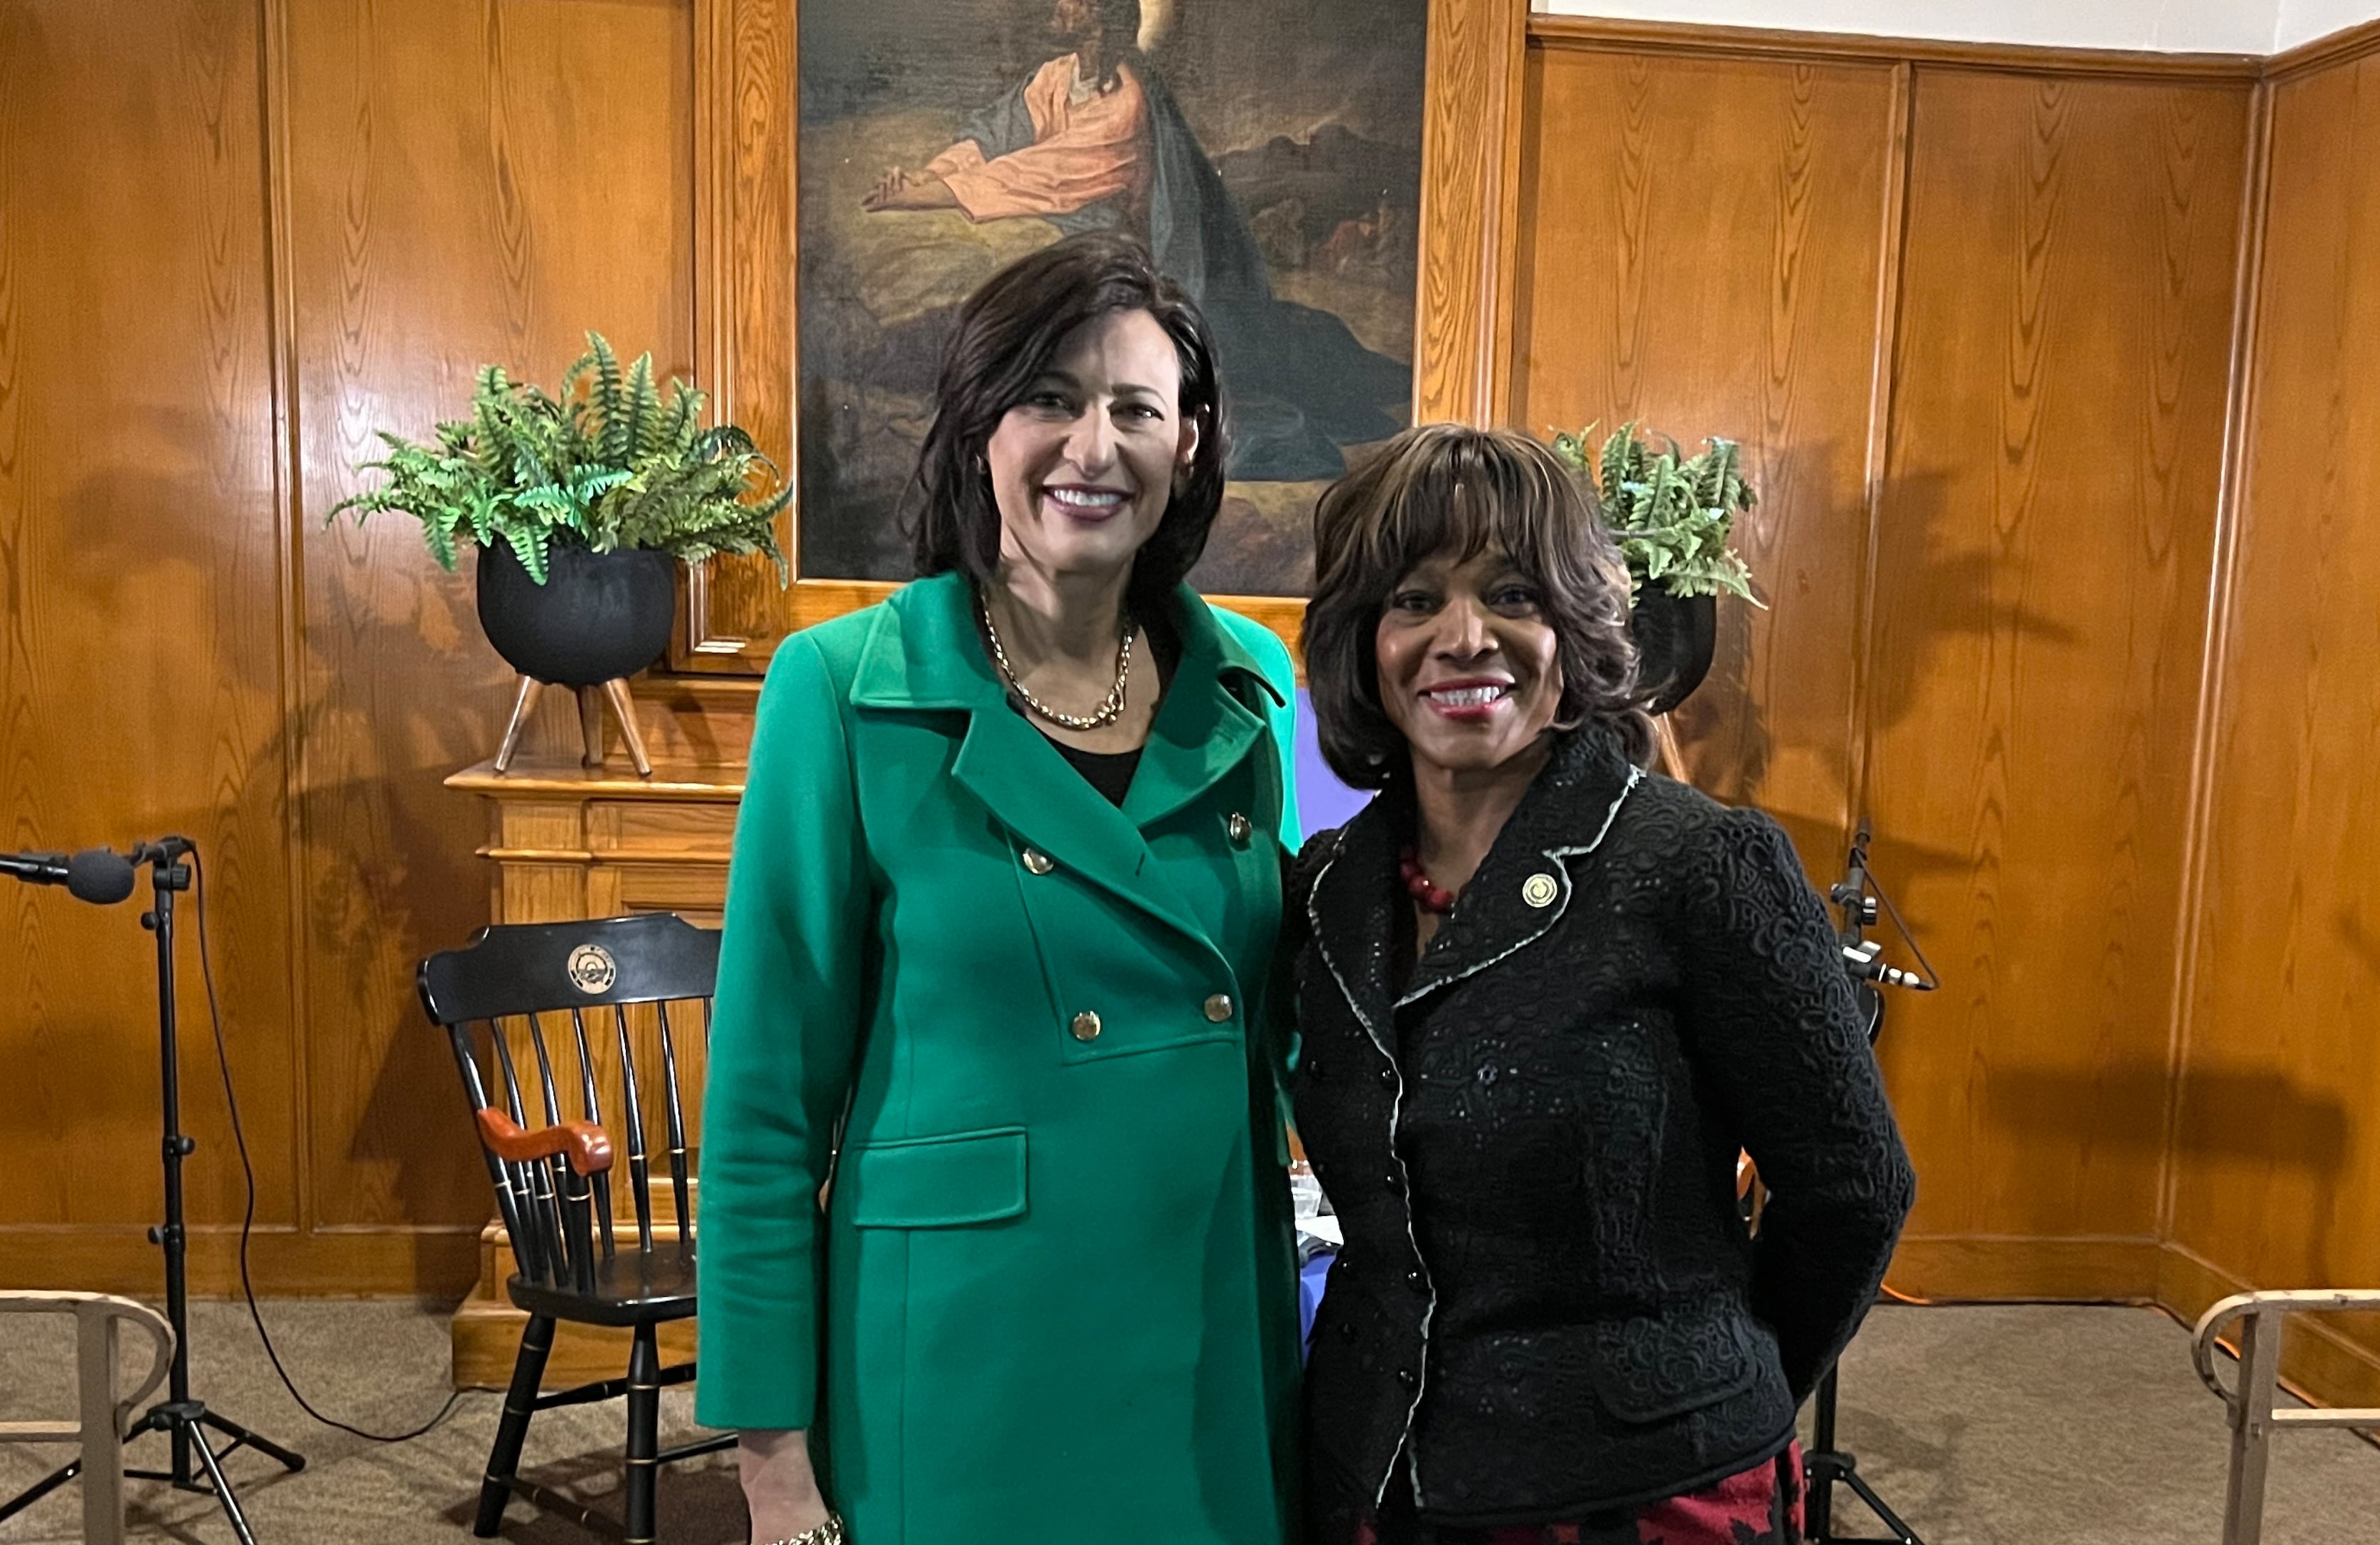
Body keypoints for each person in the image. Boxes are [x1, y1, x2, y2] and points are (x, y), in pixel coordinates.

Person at [697, 232, 1304, 1545]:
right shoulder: (842, 685)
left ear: (1189, 444)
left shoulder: (1255, 685)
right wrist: (770, 1465)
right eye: (1050, 398)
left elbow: (1297, 1018)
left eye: (1137, 408)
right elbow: (762, 1105)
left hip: (1204, 1323)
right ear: (979, 425)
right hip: (959, 1357)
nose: (1094, 446)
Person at [1286, 424, 1916, 1544]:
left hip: (1648, 1494)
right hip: (1379, 1475)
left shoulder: (1699, 864)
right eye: (1415, 598)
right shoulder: (1330, 888)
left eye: (1513, 595)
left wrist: (1708, 1387)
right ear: (1362, 642)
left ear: (1573, 630)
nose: (1464, 637)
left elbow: (1854, 1188)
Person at [860, 0, 1409, 480]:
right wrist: (927, 179)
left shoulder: (1124, 105)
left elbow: (1039, 173)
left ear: (1101, 12)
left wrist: (930, 196)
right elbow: (992, 136)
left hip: (1132, 267)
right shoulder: (1055, 77)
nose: (1059, 6)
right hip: (1078, 240)